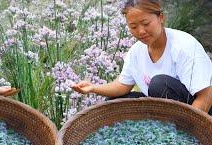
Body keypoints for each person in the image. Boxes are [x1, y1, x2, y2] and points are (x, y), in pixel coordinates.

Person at [71, 0, 212, 115]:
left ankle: (173, 133)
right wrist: (92, 88)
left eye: (145, 24)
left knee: (159, 84)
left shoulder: (184, 46)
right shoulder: (136, 51)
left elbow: (206, 96)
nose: (141, 31)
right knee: (113, 102)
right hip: (163, 109)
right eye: (133, 27)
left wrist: (191, 129)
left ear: (161, 18)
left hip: (198, 112)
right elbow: (122, 86)